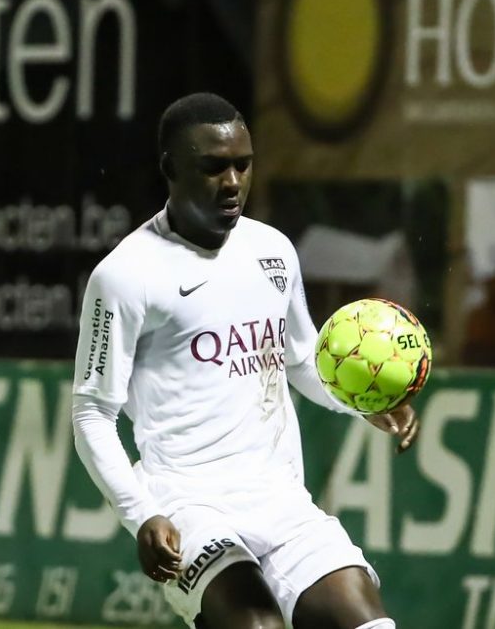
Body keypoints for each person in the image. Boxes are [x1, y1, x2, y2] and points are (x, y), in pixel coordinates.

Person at [71, 92, 419, 629]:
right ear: (170, 168)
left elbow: (303, 360)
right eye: (212, 167)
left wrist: (359, 402)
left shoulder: (273, 251)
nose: (232, 181)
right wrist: (141, 514)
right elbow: (92, 413)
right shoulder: (125, 275)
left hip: (280, 497)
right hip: (188, 502)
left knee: (368, 622)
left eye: (242, 164)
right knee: (257, 626)